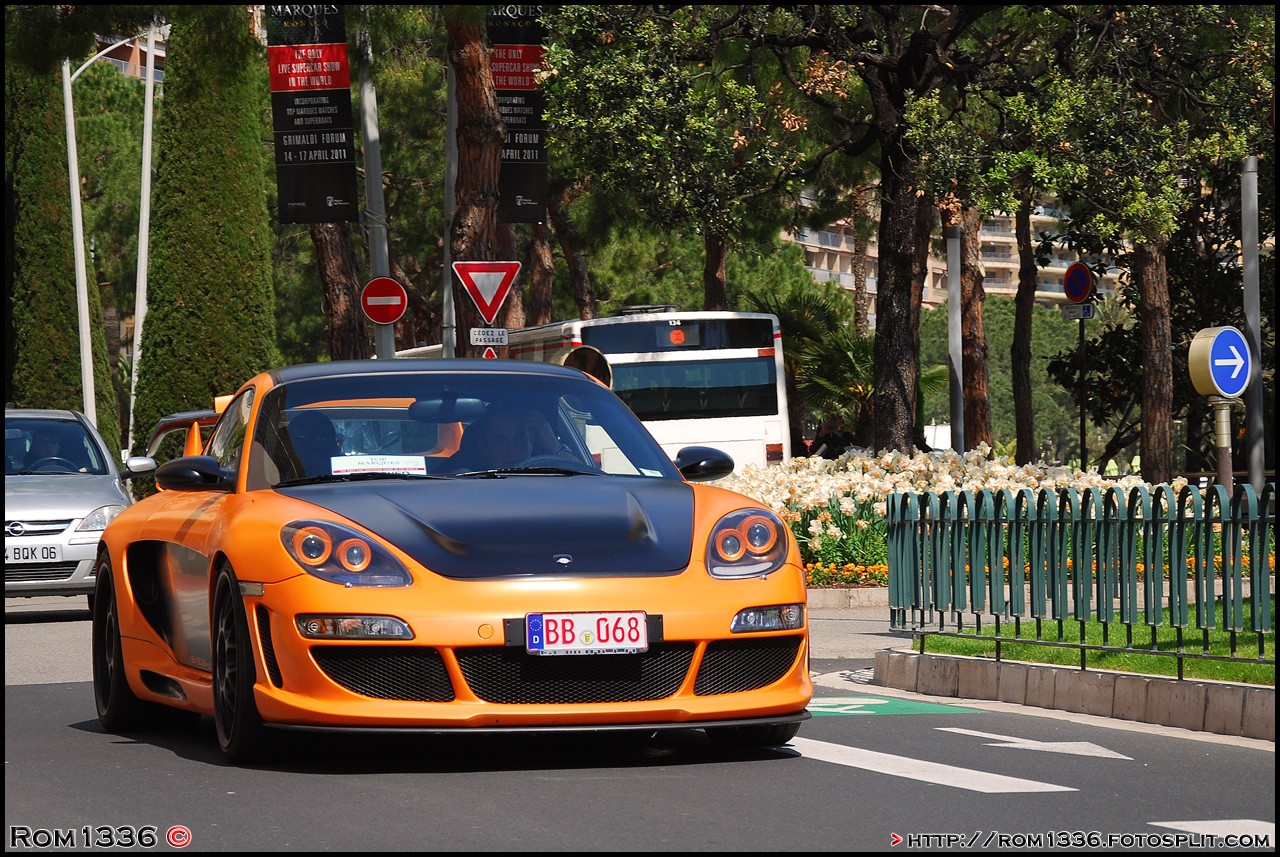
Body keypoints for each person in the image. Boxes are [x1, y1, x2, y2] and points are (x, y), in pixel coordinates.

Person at [473, 409, 574, 469]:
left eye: (519, 439)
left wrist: (555, 446)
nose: (512, 451)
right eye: (500, 441)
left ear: (531, 440)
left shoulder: (556, 482)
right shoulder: (466, 488)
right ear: (484, 447)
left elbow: (586, 481)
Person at [288, 411, 341, 476]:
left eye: (322, 439)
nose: (315, 445)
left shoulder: (348, 471)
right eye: (304, 439)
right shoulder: (277, 473)